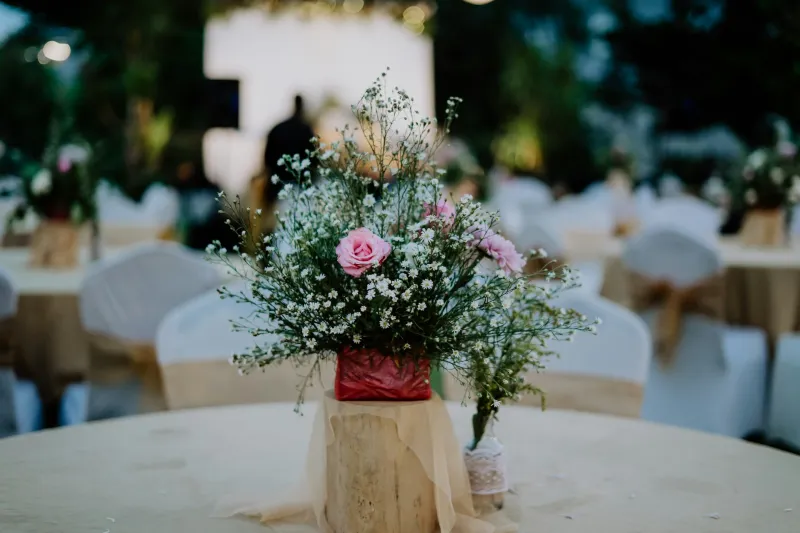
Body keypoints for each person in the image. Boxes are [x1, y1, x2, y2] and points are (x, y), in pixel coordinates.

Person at [263, 95, 315, 204]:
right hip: (299, 188)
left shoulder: (278, 129)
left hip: (278, 188)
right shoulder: (306, 131)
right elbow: (313, 160)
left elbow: (267, 159)